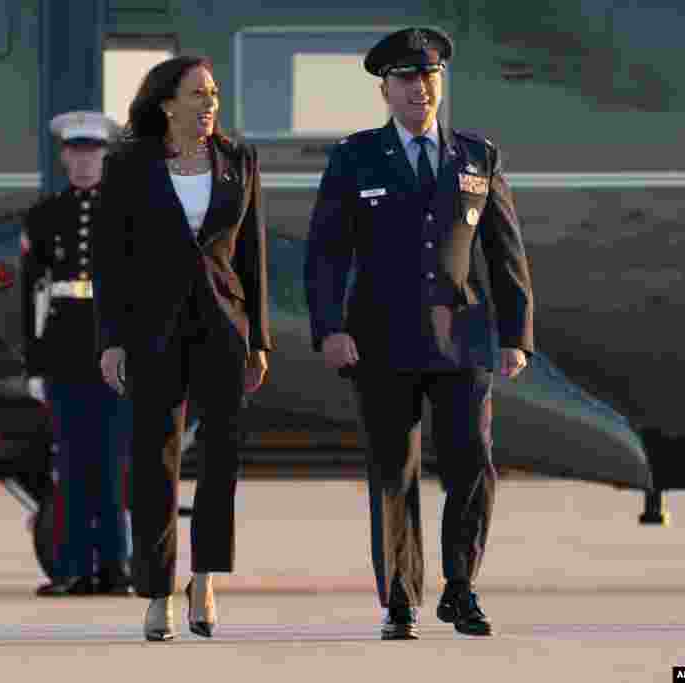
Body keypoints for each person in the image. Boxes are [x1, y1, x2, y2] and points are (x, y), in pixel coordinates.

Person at [304, 27, 535, 640]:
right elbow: (326, 251)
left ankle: (461, 589)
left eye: (429, 76)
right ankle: (400, 599)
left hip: (463, 341)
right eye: (407, 79)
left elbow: (505, 252)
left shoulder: (477, 157)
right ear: (385, 89)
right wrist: (329, 327)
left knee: (472, 467)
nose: (420, 88)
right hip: (381, 341)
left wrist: (517, 334)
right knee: (392, 473)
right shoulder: (354, 157)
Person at [92, 56, 272, 641]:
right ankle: (156, 591)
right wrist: (112, 340)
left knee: (221, 461)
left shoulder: (239, 161)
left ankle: (205, 580)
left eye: (214, 92)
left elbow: (253, 258)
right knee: (155, 463)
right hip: (152, 331)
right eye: (199, 93)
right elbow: (110, 263)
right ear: (168, 103)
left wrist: (259, 340)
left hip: (224, 329)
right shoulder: (128, 165)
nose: (210, 102)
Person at [20, 110, 134, 597]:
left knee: (113, 464)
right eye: (77, 151)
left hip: (115, 349)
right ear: (65, 156)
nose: (85, 160)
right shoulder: (46, 215)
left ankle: (114, 567)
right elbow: (31, 294)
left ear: (105, 156)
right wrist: (34, 363)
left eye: (94, 151)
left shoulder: (130, 212)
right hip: (65, 349)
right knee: (70, 466)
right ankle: (70, 568)